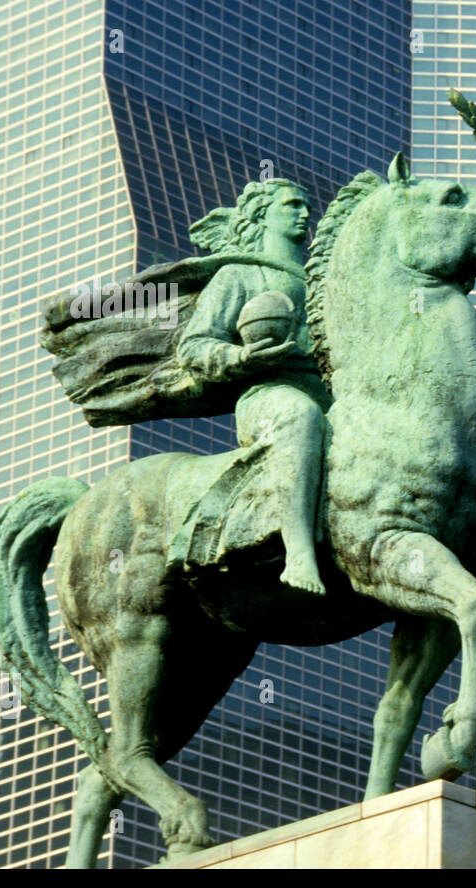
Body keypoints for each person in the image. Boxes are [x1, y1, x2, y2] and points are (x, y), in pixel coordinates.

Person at [175, 178, 331, 595]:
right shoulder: (239, 274)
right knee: (300, 415)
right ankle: (298, 552)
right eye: (293, 204)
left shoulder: (326, 281)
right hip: (269, 397)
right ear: (263, 216)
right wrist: (241, 358)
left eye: (307, 206)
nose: (305, 213)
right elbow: (194, 346)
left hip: (331, 394)